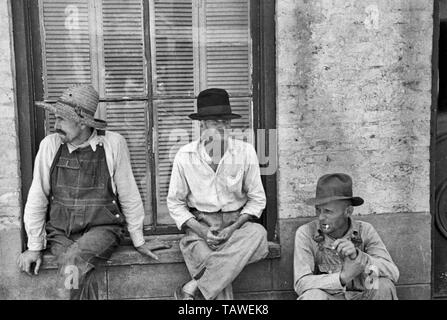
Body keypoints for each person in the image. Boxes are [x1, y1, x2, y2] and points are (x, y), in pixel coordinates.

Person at [17, 84, 170, 299]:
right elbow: (37, 196)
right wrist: (34, 246)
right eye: (55, 118)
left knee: (73, 262)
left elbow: (128, 193)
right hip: (62, 231)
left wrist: (139, 239)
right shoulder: (49, 146)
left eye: (62, 119)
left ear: (82, 123)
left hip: (103, 228)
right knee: (77, 268)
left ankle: (62, 297)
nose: (56, 125)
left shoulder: (112, 143)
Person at [167, 88, 269, 300]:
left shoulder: (245, 151)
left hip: (237, 228)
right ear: (202, 125)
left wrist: (233, 228)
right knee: (215, 268)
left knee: (258, 234)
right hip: (201, 228)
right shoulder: (185, 156)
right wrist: (203, 232)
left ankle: (195, 286)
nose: (222, 128)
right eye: (215, 122)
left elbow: (257, 199)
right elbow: (175, 203)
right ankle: (197, 288)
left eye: (226, 122)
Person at [294, 173, 399, 300]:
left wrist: (359, 257)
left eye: (328, 211)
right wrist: (343, 277)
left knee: (383, 285)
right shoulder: (306, 233)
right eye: (318, 210)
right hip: (330, 297)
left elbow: (393, 272)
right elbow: (301, 283)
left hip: (363, 296)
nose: (321, 217)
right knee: (313, 296)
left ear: (348, 211)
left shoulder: (364, 231)